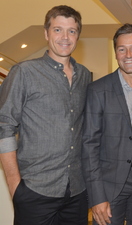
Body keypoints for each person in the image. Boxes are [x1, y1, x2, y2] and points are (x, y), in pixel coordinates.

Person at [0, 5, 91, 225]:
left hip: (77, 191)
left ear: (78, 35)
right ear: (46, 33)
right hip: (34, 190)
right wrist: (15, 188)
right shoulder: (24, 72)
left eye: (72, 31)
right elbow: (4, 126)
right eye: (58, 30)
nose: (65, 37)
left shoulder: (85, 76)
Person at [82, 23, 132, 225]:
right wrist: (97, 196)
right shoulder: (98, 90)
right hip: (109, 182)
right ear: (116, 53)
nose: (128, 54)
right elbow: (89, 145)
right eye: (122, 49)